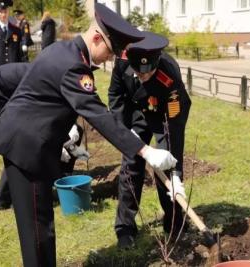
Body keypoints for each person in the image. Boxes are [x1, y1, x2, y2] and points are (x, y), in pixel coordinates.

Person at [0, 4, 177, 266]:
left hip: (31, 142)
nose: (109, 59)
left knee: (41, 225)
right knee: (37, 231)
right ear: (97, 38)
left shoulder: (64, 51)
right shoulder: (74, 66)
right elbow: (99, 115)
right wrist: (145, 151)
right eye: (110, 51)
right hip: (27, 147)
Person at [108, 31, 191, 248]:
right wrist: (124, 133)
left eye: (149, 72)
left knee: (166, 165)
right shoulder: (123, 62)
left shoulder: (169, 74)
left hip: (163, 115)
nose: (143, 75)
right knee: (130, 166)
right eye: (139, 72)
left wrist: (176, 174)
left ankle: (174, 224)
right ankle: (125, 228)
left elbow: (174, 126)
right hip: (134, 115)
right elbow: (115, 97)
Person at [0, 62, 88, 210]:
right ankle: (4, 199)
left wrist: (70, 134)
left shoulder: (55, 78)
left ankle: (58, 182)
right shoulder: (47, 79)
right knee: (21, 142)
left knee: (30, 140)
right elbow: (41, 114)